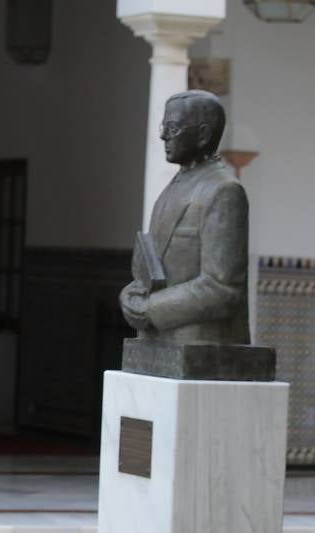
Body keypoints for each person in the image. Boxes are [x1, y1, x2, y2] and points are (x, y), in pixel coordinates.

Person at [119, 90, 249, 344]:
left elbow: (222, 289)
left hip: (200, 347)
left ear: (202, 135)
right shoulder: (174, 187)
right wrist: (131, 293)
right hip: (161, 343)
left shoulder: (223, 191)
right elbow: (153, 268)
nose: (163, 135)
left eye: (173, 128)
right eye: (163, 126)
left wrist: (150, 308)